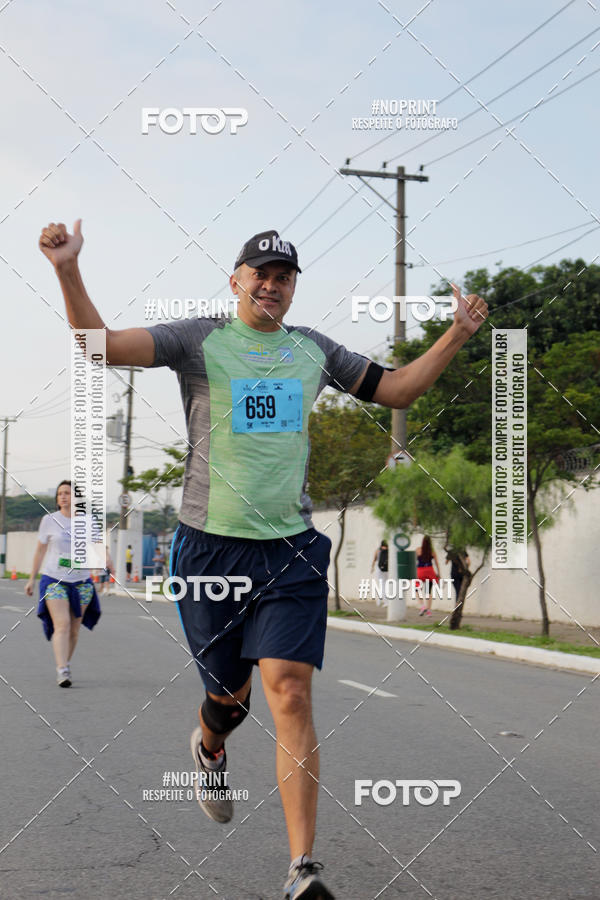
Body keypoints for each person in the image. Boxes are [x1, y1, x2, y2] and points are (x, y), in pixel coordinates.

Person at [39, 219, 488, 899]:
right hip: (209, 550)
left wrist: (457, 332)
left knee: (290, 688)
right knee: (230, 697)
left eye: (284, 278)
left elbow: (396, 391)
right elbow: (101, 347)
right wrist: (68, 267)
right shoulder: (199, 339)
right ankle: (211, 745)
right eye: (261, 275)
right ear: (237, 281)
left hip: (291, 550)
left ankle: (302, 869)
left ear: (293, 287)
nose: (272, 286)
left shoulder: (313, 351)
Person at [25, 480, 101, 687]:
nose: (63, 497)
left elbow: (98, 546)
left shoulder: (88, 521)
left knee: (75, 628)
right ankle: (62, 670)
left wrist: (105, 564)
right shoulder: (49, 520)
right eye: (60, 494)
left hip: (82, 582)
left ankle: (65, 663)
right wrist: (32, 578)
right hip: (54, 580)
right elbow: (40, 550)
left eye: (67, 493)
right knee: (63, 624)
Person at [416, 534, 441, 617]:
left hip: (420, 571)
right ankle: (429, 611)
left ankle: (422, 606)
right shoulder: (432, 552)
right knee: (428, 591)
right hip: (430, 571)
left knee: (417, 589)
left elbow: (414, 562)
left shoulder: (418, 550)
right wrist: (439, 574)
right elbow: (436, 563)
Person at [370, 539, 389, 606]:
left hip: (379, 569)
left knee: (381, 585)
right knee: (387, 585)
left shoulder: (378, 550)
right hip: (388, 570)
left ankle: (380, 601)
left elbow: (374, 560)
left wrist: (372, 568)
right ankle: (384, 601)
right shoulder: (389, 550)